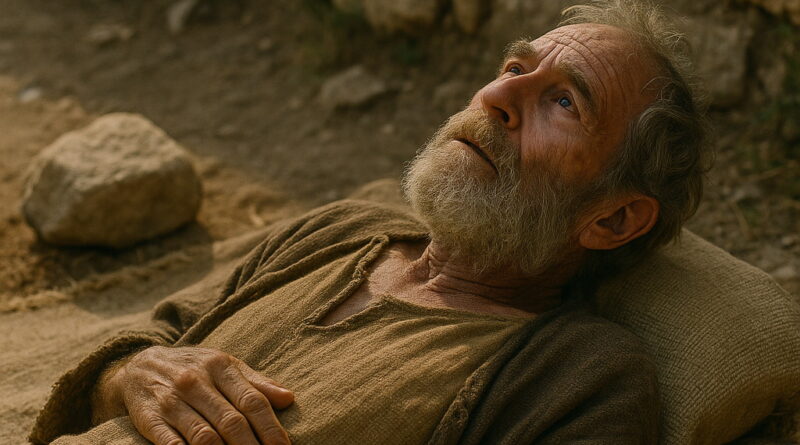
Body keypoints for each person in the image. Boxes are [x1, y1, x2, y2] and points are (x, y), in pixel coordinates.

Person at [30, 0, 711, 444]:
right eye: (512, 68)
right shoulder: (350, 225)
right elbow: (167, 327)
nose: (498, 96)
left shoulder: (578, 375)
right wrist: (134, 372)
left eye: (563, 102)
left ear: (615, 218)